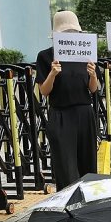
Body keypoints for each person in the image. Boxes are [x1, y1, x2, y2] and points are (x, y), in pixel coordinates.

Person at [36, 10, 98, 190]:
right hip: (61, 114)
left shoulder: (86, 52)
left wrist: (93, 75)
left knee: (88, 162)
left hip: (84, 113)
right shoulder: (46, 56)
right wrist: (53, 74)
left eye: (73, 32)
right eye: (65, 33)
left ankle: (88, 205)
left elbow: (93, 88)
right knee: (66, 165)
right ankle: (69, 208)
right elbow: (44, 91)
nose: (70, 36)